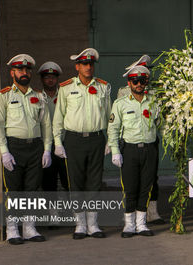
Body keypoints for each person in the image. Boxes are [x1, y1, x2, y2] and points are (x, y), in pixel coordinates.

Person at [52, 48, 111, 239]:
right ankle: (80, 224)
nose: (88, 67)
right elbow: (58, 117)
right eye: (84, 64)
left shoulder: (103, 87)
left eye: (91, 64)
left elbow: (111, 116)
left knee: (94, 182)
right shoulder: (66, 87)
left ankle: (93, 223)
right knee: (76, 182)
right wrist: (57, 143)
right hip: (74, 139)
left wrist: (110, 140)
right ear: (77, 66)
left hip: (96, 138)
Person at [0, 54, 52, 244]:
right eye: (20, 70)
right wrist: (4, 151)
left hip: (35, 147)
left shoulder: (38, 96)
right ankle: (12, 229)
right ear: (12, 73)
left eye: (27, 70)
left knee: (32, 189)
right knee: (14, 190)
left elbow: (46, 125)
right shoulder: (4, 96)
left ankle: (29, 228)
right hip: (14, 148)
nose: (24, 73)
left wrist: (47, 149)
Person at [108, 65, 158, 238]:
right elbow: (113, 129)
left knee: (146, 187)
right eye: (135, 80)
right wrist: (115, 151)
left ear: (146, 82)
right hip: (129, 150)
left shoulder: (154, 101)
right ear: (129, 82)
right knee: (130, 187)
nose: (139, 84)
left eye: (142, 80)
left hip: (150, 149)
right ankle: (129, 224)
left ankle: (141, 223)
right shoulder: (120, 103)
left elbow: (162, 125)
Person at [117, 55, 164, 224]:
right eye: (136, 79)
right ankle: (130, 220)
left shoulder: (155, 92)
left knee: (150, 179)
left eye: (144, 77)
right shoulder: (124, 93)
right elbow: (117, 120)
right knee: (131, 182)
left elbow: (161, 119)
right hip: (131, 142)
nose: (140, 82)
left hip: (150, 140)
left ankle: (151, 213)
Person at [37, 62, 68, 192]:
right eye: (47, 77)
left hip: (64, 143)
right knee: (48, 183)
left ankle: (72, 210)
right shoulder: (36, 96)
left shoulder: (65, 95)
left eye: (53, 77)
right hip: (44, 146)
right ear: (42, 79)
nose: (50, 80)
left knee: (68, 181)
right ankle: (52, 212)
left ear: (57, 79)